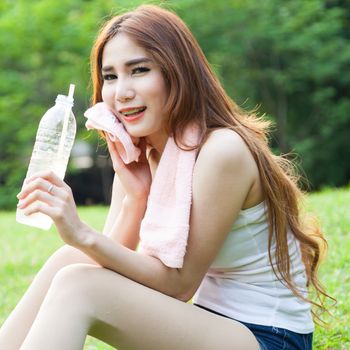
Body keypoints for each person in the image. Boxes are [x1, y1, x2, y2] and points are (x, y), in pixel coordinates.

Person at [0, 4, 329, 350]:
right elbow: (109, 262)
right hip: (208, 325)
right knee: (71, 264)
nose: (121, 91)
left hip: (267, 337)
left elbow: (179, 285)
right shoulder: (141, 155)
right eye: (110, 76)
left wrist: (79, 231)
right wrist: (135, 198)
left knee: (78, 285)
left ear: (177, 72)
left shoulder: (222, 150)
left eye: (139, 70)